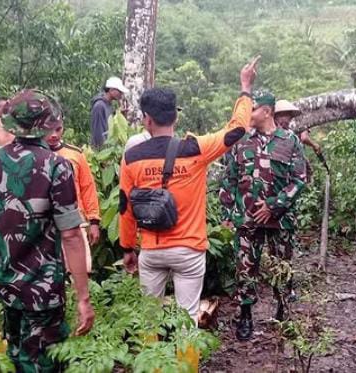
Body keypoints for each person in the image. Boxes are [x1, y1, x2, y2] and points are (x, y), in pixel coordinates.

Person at [0, 90, 95, 372]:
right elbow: (70, 234)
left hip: (5, 284)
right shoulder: (57, 166)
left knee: (17, 355)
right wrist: (83, 297)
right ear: (46, 124)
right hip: (43, 291)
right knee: (42, 363)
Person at [118, 56, 260, 323]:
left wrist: (127, 249)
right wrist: (245, 88)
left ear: (147, 120)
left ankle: (152, 363)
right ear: (175, 116)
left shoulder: (132, 157)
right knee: (188, 320)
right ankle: (184, 361)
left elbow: (125, 207)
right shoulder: (196, 149)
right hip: (188, 250)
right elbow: (238, 128)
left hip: (151, 250)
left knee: (150, 319)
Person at [220, 91, 308, 341]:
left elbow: (299, 180)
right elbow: (230, 179)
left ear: (267, 112)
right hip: (247, 219)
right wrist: (227, 212)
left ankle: (282, 309)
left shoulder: (290, 141)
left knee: (282, 265)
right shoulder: (242, 141)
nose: (249, 113)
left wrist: (273, 205)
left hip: (280, 219)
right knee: (245, 268)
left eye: (253, 108)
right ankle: (246, 314)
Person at [44, 120, 102, 272]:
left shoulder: (75, 154)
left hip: (74, 220)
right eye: (49, 130)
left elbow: (87, 187)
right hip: (43, 223)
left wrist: (94, 221)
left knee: (80, 268)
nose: (54, 135)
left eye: (58, 129)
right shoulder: (32, 154)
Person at [91, 76, 129, 149]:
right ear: (111, 90)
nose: (121, 94)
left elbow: (108, 121)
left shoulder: (107, 105)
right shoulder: (99, 106)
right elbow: (99, 131)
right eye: (119, 91)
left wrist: (118, 114)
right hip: (101, 150)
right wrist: (102, 150)